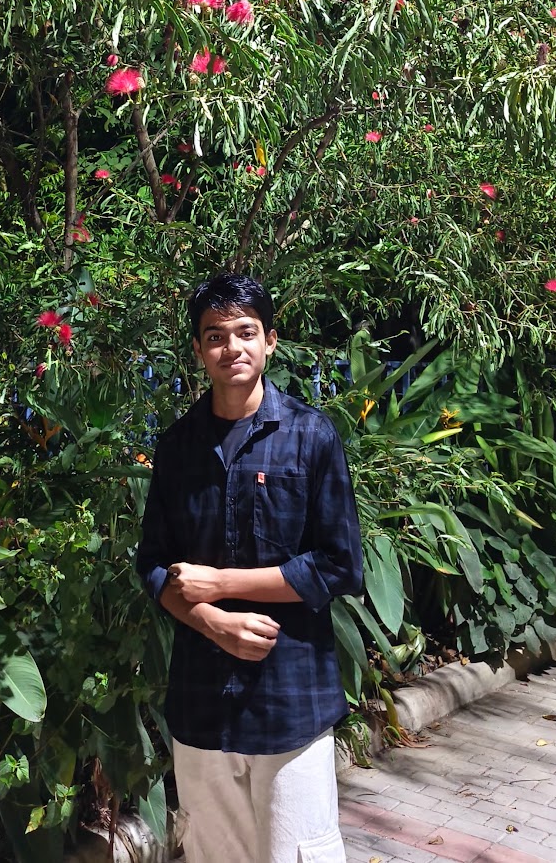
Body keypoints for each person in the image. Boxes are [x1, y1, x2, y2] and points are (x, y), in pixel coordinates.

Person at [136, 273, 363, 863]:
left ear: (270, 341)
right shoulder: (177, 448)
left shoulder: (311, 436)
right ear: (198, 349)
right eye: (215, 336)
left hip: (290, 700)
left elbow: (338, 565)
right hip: (202, 703)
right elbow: (154, 564)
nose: (231, 347)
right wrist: (212, 622)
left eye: (245, 332)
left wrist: (220, 585)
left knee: (300, 853)